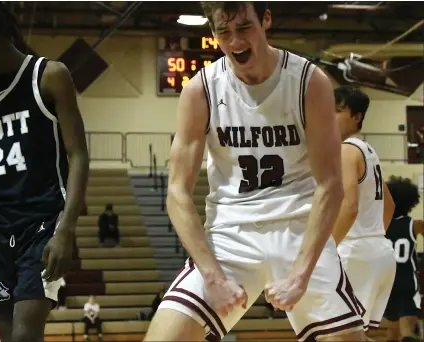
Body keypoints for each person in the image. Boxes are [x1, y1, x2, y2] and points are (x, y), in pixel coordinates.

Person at [143, 2, 366, 341]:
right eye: (223, 32)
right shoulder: (200, 90)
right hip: (230, 233)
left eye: (244, 28)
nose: (235, 41)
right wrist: (212, 276)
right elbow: (177, 193)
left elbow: (331, 185)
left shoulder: (309, 82)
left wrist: (302, 274)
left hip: (297, 228)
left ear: (266, 20)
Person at [0, 3, 89, 342]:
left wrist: (67, 229)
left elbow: (78, 154)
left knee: (24, 334)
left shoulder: (50, 75)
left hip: (43, 222)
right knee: (1, 335)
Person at [332, 86, 397, 334]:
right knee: (353, 335)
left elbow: (349, 208)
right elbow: (389, 205)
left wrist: (324, 251)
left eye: (338, 111)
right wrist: (373, 236)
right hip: (378, 252)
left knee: (335, 334)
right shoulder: (368, 150)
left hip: (355, 253)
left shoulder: (346, 150)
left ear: (357, 116)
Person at [384, 176, 423, 342]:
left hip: (385, 282)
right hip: (406, 281)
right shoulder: (415, 224)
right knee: (407, 331)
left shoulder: (380, 224)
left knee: (392, 331)